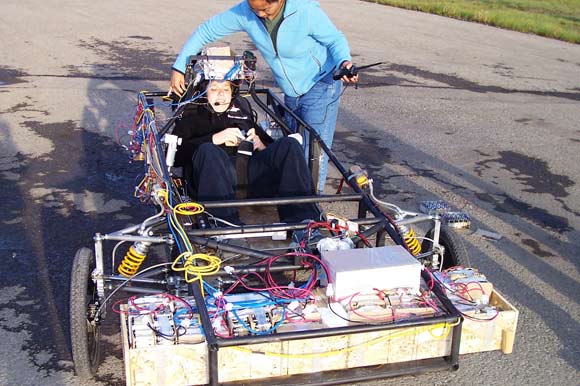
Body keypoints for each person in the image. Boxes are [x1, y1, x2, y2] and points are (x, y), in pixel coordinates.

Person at [170, 0, 358, 194]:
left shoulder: (305, 11)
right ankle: (294, 202)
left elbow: (335, 40)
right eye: (254, 9)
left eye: (265, 9)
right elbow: (206, 31)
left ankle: (308, 211)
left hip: (320, 82)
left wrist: (344, 62)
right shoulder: (245, 12)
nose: (259, 14)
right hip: (292, 91)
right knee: (296, 147)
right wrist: (179, 67)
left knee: (312, 153)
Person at [172, 78, 320, 226]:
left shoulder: (241, 113)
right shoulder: (192, 117)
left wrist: (260, 144)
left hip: (251, 177)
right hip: (215, 180)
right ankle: (223, 225)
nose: (221, 94)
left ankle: (304, 220)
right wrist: (213, 139)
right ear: (205, 93)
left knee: (290, 144)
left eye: (226, 89)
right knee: (208, 150)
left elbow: (274, 152)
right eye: (214, 89)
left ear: (232, 93)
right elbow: (175, 158)